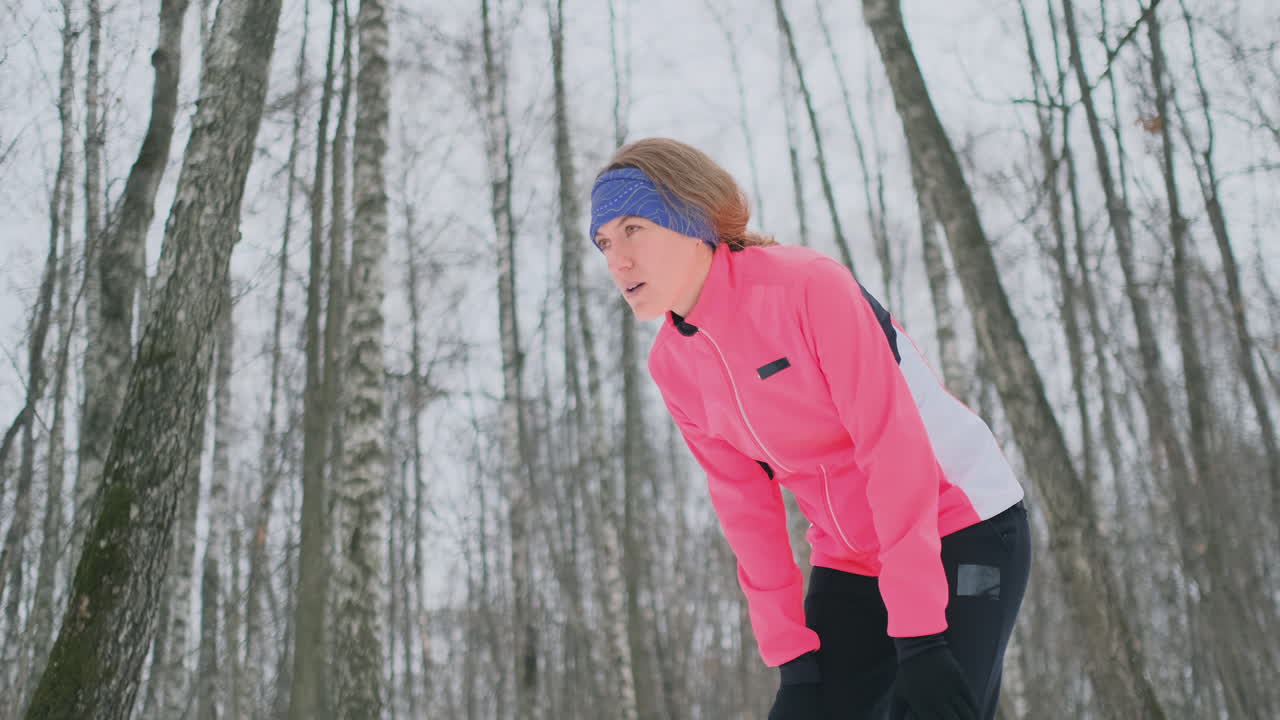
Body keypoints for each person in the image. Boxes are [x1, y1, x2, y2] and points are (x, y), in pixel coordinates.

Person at [588, 138, 1032, 720]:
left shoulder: (803, 287)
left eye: (633, 229)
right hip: (851, 558)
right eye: (603, 243)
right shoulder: (673, 365)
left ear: (691, 217)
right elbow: (746, 509)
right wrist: (792, 659)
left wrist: (920, 633)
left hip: (962, 524)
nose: (616, 259)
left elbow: (891, 445)